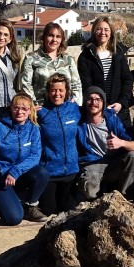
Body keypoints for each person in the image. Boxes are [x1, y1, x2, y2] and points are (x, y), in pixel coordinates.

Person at [0, 93, 49, 225]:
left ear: (30, 110)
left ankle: (28, 206)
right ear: (11, 109)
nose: (20, 112)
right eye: (16, 108)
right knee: (13, 219)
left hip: (15, 177)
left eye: (24, 109)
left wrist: (15, 171)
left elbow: (35, 156)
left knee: (41, 172)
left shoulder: (34, 129)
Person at [76, 85, 134, 201]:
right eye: (90, 99)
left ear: (103, 103)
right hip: (92, 163)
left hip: (114, 163)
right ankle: (96, 203)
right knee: (89, 185)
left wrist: (121, 143)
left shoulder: (112, 120)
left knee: (133, 156)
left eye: (98, 99)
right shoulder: (79, 122)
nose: (93, 102)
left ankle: (124, 199)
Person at [36, 74, 82, 216]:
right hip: (51, 171)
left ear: (66, 91)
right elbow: (18, 116)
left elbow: (96, 112)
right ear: (48, 92)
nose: (57, 94)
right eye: (53, 90)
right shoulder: (40, 113)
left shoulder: (74, 109)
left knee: (68, 210)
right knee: (49, 210)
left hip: (71, 171)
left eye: (61, 90)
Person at [78, 15, 133, 127]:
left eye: (106, 29)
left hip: (119, 110)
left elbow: (127, 80)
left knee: (123, 141)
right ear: (93, 32)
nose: (102, 32)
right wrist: (101, 105)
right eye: (99, 29)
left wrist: (121, 103)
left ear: (111, 32)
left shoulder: (118, 53)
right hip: (96, 111)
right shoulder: (86, 56)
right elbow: (86, 85)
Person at [18, 22, 82, 106]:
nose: (54, 40)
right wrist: (33, 105)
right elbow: (25, 85)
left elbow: (76, 84)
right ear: (44, 37)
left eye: (58, 37)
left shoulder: (68, 59)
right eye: (51, 35)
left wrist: (75, 104)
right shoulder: (31, 58)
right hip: (41, 109)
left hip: (65, 109)